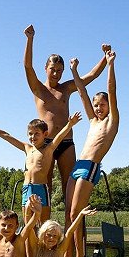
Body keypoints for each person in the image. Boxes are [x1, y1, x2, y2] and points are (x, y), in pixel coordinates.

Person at [23, 24, 110, 197]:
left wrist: (105, 57)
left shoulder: (66, 88)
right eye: (52, 70)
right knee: (43, 187)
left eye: (59, 71)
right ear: (45, 69)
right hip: (45, 144)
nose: (56, 74)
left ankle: (75, 224)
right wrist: (30, 39)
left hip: (66, 143)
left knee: (69, 185)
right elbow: (27, 67)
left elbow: (90, 76)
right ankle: (43, 224)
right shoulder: (38, 89)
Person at [63, 49, 118, 257]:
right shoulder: (93, 121)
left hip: (90, 167)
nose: (98, 107)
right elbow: (82, 94)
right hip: (77, 167)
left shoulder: (111, 122)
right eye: (96, 105)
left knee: (77, 213)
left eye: (102, 104)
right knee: (68, 213)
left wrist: (110, 64)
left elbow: (112, 91)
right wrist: (74, 71)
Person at [0, 113, 81, 227]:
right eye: (30, 134)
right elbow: (6, 135)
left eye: (37, 134)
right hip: (26, 189)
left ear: (45, 134)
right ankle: (28, 245)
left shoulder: (48, 149)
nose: (33, 137)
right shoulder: (27, 148)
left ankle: (43, 244)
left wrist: (70, 124)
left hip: (40, 188)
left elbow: (59, 136)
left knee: (44, 224)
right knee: (28, 225)